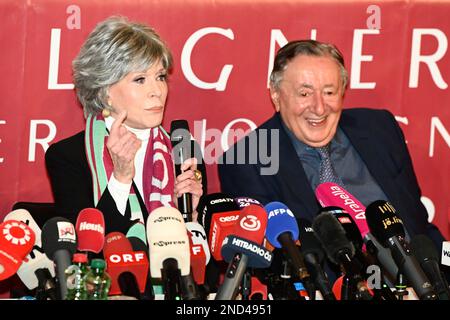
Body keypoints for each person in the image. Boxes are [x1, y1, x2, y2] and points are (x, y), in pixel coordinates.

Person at [218, 40, 446, 269]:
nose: (319, 107)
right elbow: (274, 262)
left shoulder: (380, 129)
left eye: (329, 92)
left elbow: (420, 227)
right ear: (276, 95)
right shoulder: (247, 159)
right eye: (304, 93)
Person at [45, 16, 206, 235]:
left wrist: (191, 217)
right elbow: (86, 247)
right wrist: (120, 178)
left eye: (160, 77)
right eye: (140, 80)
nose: (157, 91)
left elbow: (205, 259)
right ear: (105, 92)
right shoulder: (68, 157)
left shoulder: (184, 149)